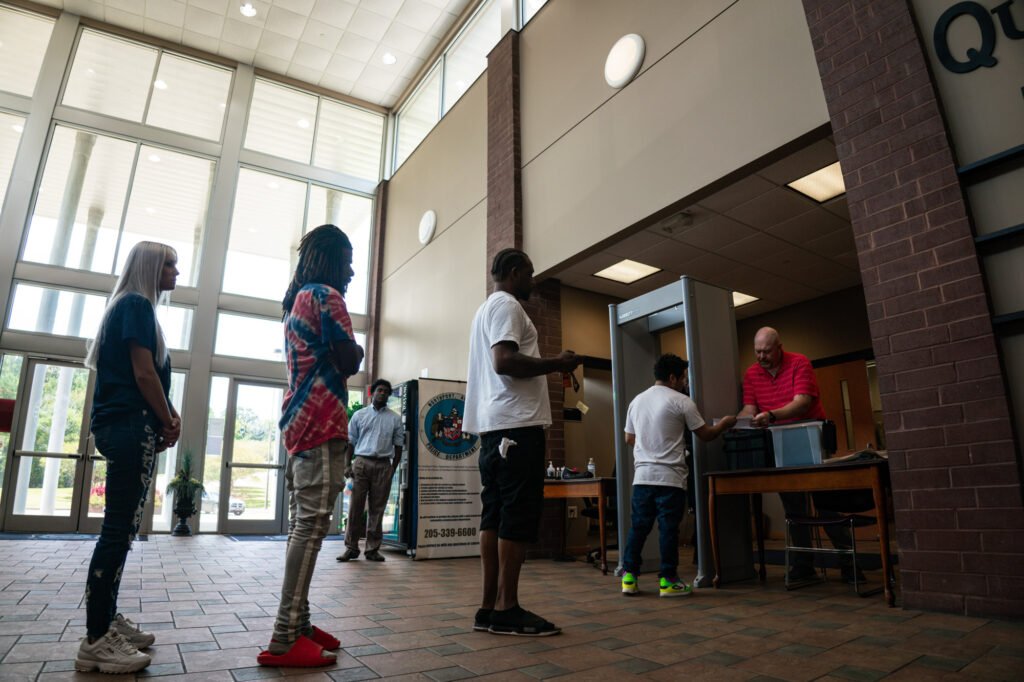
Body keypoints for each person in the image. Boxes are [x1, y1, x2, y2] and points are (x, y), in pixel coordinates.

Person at [258, 225, 364, 668]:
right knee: (312, 526)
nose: (353, 270)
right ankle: (284, 637)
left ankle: (298, 623)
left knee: (305, 522)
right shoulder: (325, 296)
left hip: (300, 422)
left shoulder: (298, 299)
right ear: (330, 260)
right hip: (320, 422)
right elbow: (349, 359)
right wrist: (353, 349)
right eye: (348, 260)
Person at [463, 248, 581, 637]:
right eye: (530, 274)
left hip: (495, 430)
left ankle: (488, 608)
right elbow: (505, 361)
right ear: (515, 273)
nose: (533, 281)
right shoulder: (508, 307)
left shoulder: (486, 309)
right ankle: (507, 606)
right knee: (515, 513)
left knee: (494, 513)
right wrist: (557, 363)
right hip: (516, 426)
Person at [77, 241, 181, 674]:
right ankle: (97, 638)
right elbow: (143, 373)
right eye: (169, 265)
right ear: (150, 267)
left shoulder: (128, 307)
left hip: (123, 426)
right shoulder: (136, 304)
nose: (176, 272)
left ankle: (106, 617)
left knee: (120, 531)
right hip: (128, 425)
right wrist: (169, 418)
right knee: (118, 531)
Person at [737, 327, 862, 584]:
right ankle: (804, 564)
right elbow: (750, 408)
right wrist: (733, 422)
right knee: (793, 505)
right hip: (780, 439)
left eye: (766, 351)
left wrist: (770, 415)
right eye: (757, 352)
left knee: (826, 503)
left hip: (810, 434)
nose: (761, 357)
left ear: (779, 347)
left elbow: (802, 402)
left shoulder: (799, 362)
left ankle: (849, 564)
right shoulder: (751, 373)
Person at [621, 354, 736, 597]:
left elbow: (629, 438)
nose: (685, 382)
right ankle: (668, 581)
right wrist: (725, 424)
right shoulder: (682, 401)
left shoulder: (637, 400)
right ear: (672, 377)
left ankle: (629, 578)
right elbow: (705, 434)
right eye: (683, 377)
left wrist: (650, 445)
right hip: (670, 478)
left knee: (638, 528)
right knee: (668, 530)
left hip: (642, 477)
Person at [337, 379, 403, 563]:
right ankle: (351, 548)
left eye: (385, 392)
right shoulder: (359, 415)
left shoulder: (395, 419)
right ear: (371, 393)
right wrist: (347, 465)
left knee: (377, 509)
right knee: (355, 507)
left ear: (389, 396)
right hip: (361, 463)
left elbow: (398, 447)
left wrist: (392, 469)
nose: (382, 393)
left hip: (383, 465)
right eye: (379, 390)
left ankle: (372, 549)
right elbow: (350, 442)